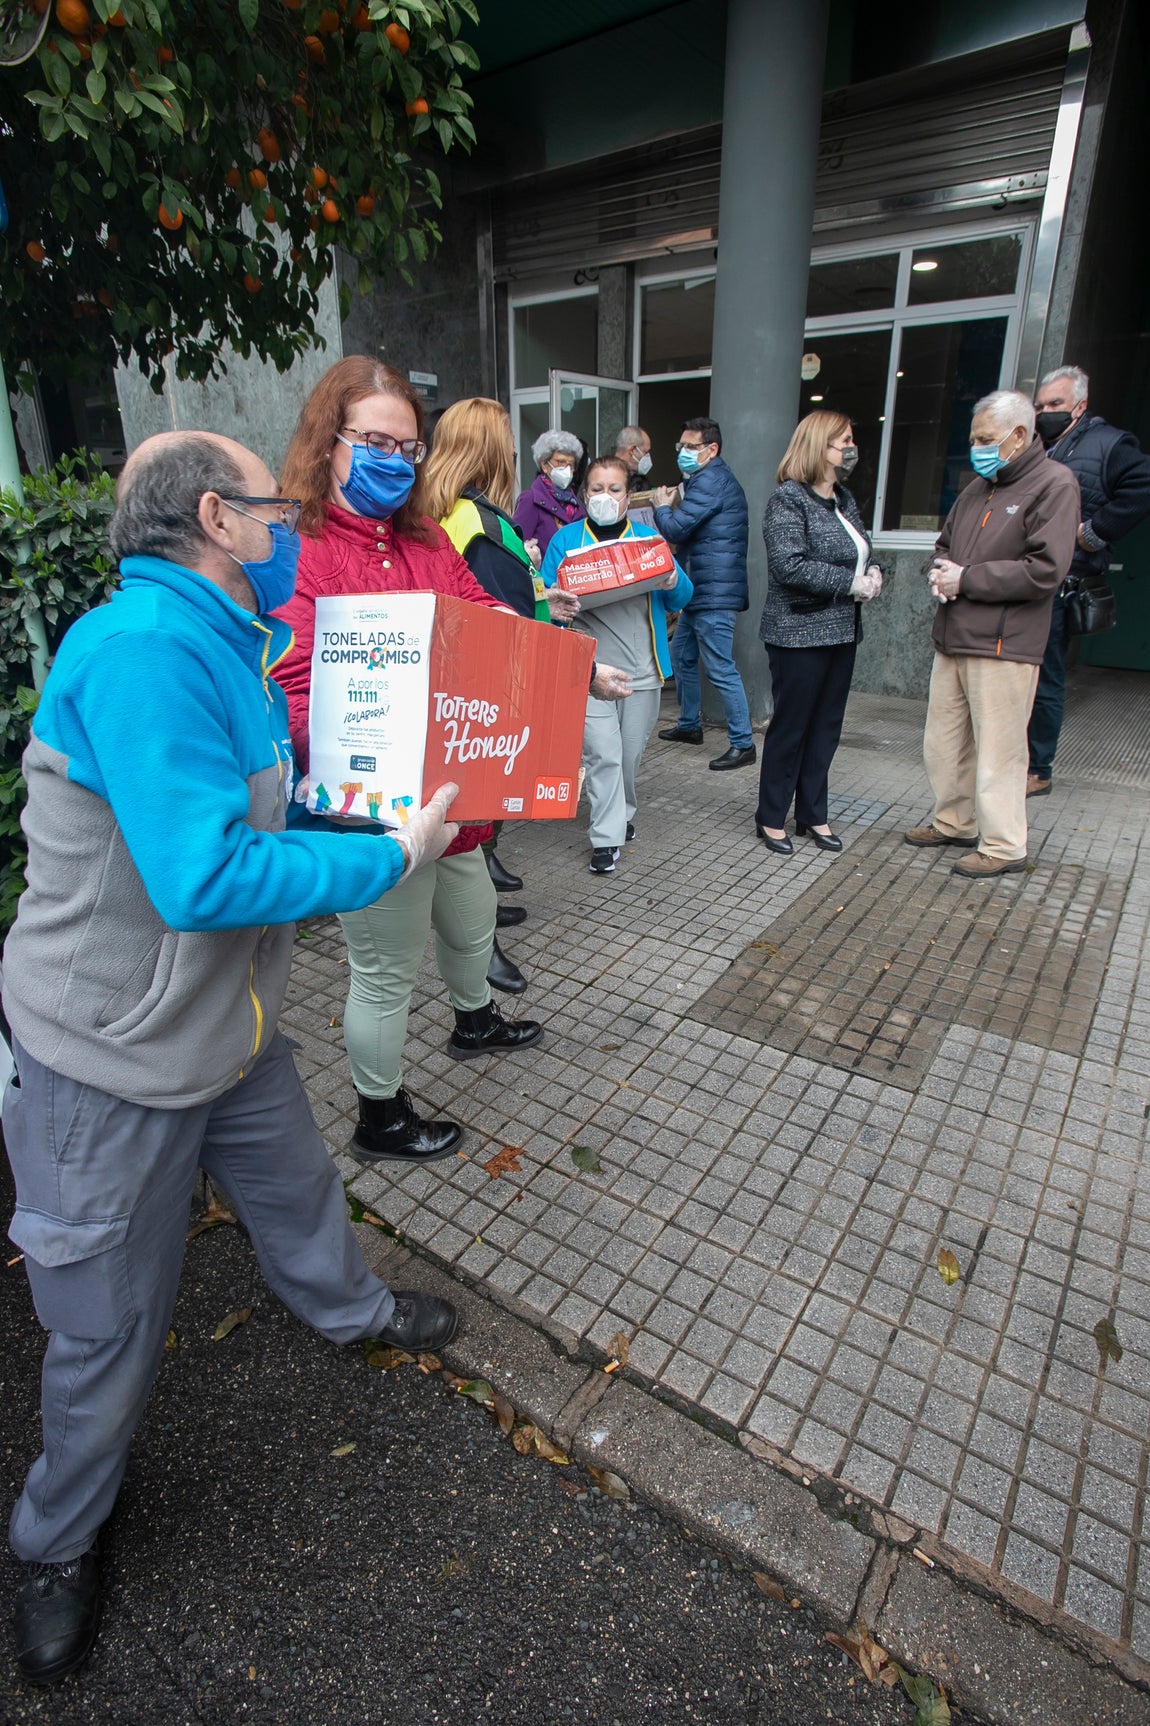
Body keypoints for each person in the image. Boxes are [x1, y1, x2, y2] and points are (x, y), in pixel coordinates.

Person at [1, 430, 461, 1686]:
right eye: (272, 507)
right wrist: (388, 858)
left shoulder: (222, 642)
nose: (288, 528)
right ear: (216, 516)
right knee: (105, 1320)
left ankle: (350, 1312)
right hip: (109, 1060)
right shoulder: (148, 653)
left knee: (300, 1189)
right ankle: (56, 1538)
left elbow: (264, 809)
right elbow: (204, 875)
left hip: (222, 1033)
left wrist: (356, 814)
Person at [276, 358, 545, 1168]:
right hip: (373, 811)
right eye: (376, 442)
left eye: (410, 446)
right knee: (386, 969)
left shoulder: (426, 539)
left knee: (472, 923)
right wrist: (373, 766)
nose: (397, 459)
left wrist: (559, 663)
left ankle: (474, 1019)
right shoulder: (301, 551)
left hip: (454, 791)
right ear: (330, 445)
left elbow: (482, 614)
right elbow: (294, 694)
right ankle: (380, 1116)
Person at [421, 397, 581, 991]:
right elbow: (494, 619)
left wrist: (544, 602)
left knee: (471, 823)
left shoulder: (458, 514)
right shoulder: (477, 522)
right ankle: (477, 946)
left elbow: (508, 598)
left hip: (464, 691)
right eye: (507, 442)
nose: (515, 454)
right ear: (489, 450)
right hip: (486, 691)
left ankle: (479, 921)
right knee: (472, 821)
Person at [904, 389, 1079, 878]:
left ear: (1018, 436)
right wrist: (940, 572)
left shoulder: (1054, 485)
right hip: (954, 635)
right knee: (945, 743)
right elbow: (944, 545)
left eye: (986, 438)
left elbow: (1045, 570)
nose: (976, 446)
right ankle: (954, 821)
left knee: (1000, 751)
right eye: (974, 437)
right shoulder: (977, 489)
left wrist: (967, 579)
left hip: (1005, 644)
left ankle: (1004, 846)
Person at [542, 456, 692, 874]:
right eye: (596, 489)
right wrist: (554, 598)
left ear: (629, 496)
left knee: (628, 757)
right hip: (589, 673)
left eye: (614, 489)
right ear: (582, 494)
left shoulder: (648, 540)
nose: (604, 498)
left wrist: (672, 579)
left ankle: (623, 812)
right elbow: (546, 601)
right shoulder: (566, 541)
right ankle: (605, 839)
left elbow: (683, 597)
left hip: (642, 672)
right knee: (604, 755)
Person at [755, 413, 883, 856]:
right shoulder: (788, 500)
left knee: (826, 727)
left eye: (852, 439)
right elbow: (788, 565)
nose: (851, 448)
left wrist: (875, 572)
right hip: (798, 634)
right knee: (792, 728)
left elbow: (862, 548)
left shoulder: (843, 498)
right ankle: (771, 817)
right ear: (818, 445)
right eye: (843, 441)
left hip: (842, 632)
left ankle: (813, 813)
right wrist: (850, 583)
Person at [1027, 365, 1150, 795]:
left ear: (1079, 406)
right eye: (1040, 405)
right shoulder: (1040, 445)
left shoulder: (1108, 444)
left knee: (1045, 677)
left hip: (1065, 580)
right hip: (1029, 577)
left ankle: (1038, 769)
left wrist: (1094, 532)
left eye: (1056, 405)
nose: (1045, 412)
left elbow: (1142, 487)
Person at [652, 417, 756, 771]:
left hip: (714, 591)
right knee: (681, 655)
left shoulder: (710, 480)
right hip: (701, 589)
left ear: (712, 450)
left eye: (690, 447)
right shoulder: (705, 479)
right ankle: (689, 724)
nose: (682, 452)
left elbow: (677, 527)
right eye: (680, 446)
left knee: (720, 667)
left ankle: (743, 743)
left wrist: (662, 506)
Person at [512, 429, 586, 556]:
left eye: (571, 464)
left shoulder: (578, 506)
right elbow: (516, 548)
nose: (567, 469)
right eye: (561, 462)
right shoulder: (531, 500)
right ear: (545, 465)